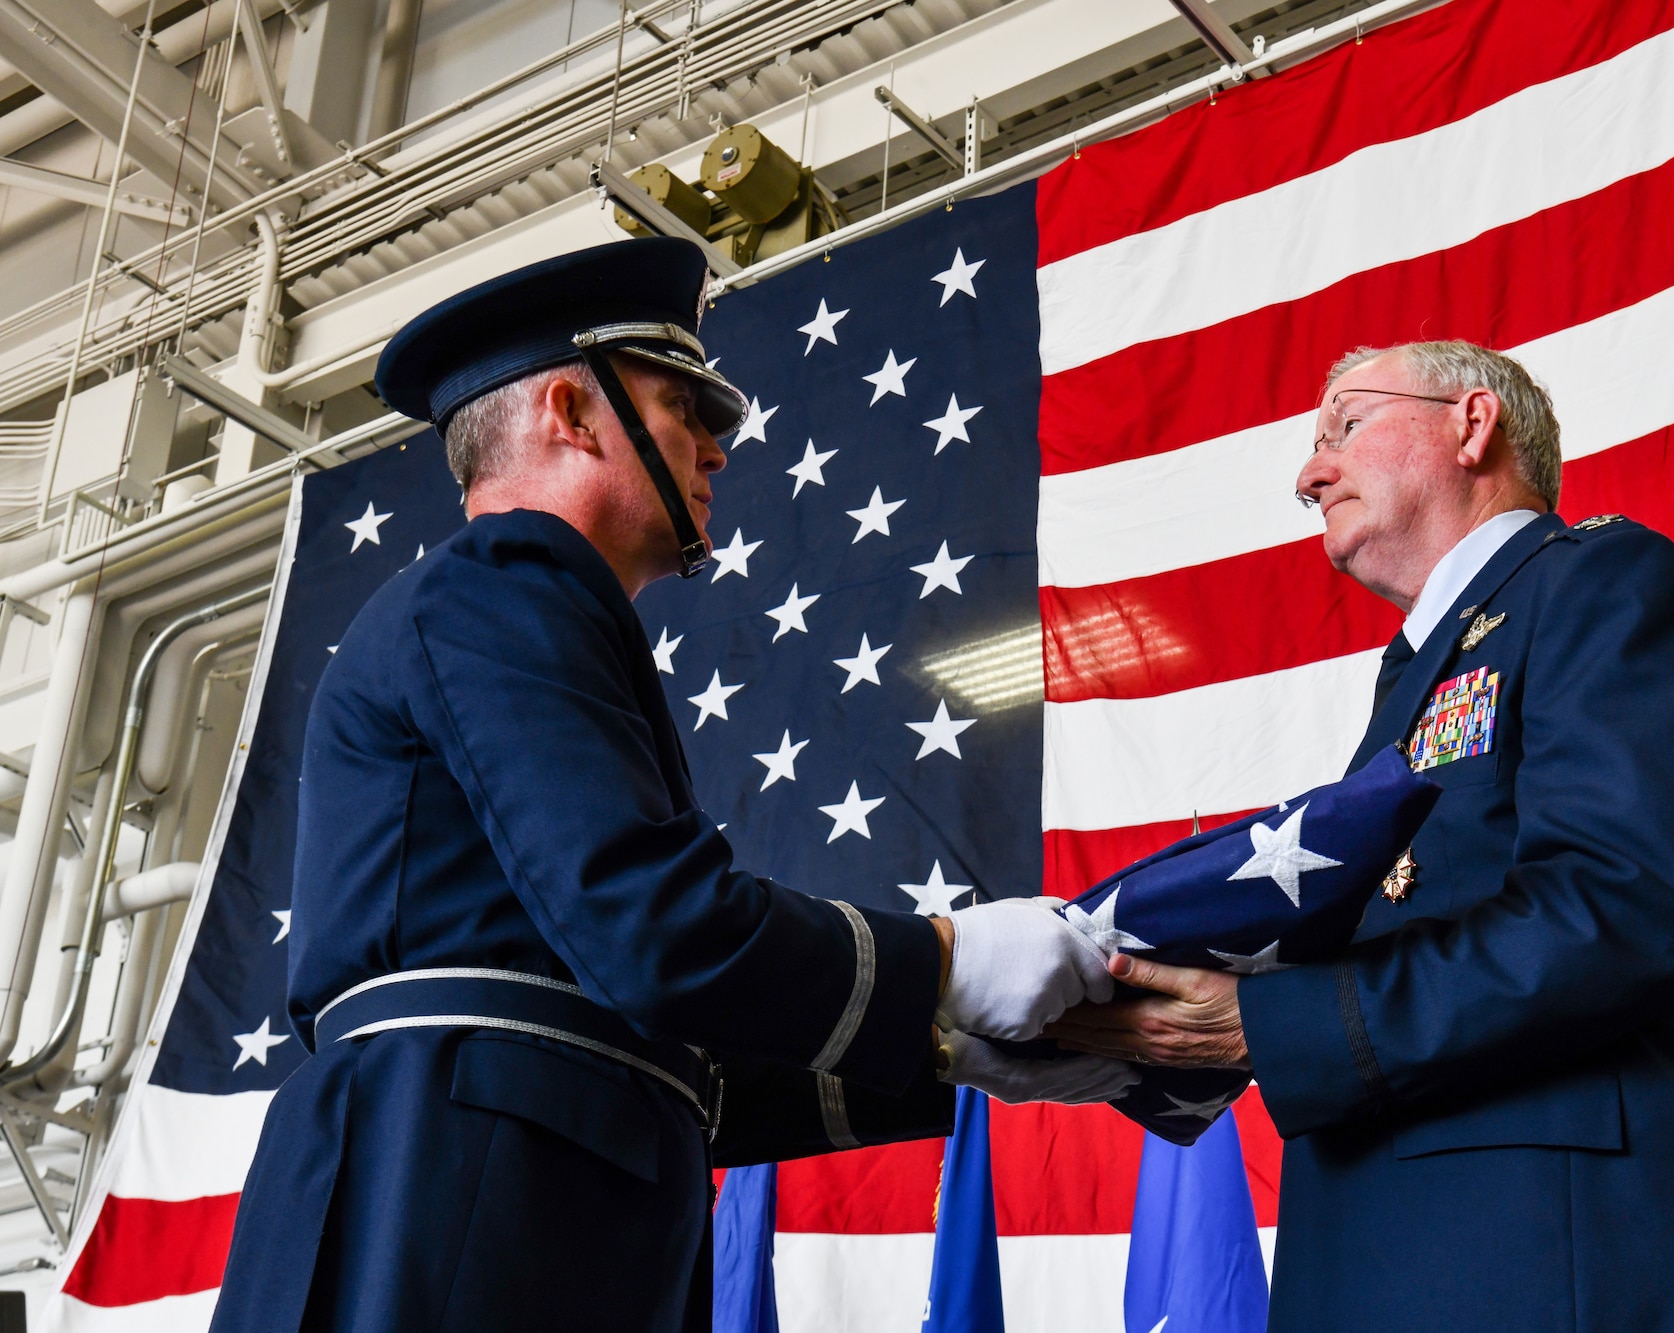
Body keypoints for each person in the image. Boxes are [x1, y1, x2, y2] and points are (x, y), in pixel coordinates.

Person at [211, 238, 1129, 1333]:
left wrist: (945, 1052)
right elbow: (654, 931)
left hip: (492, 1204)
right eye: (687, 410)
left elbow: (651, 1034)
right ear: (571, 410)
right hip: (455, 1209)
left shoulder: (509, 612)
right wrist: (944, 961)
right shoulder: (510, 583)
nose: (716, 450)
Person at [1050, 341, 1674, 1331]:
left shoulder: (1599, 582)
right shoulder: (1417, 676)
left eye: (1346, 426)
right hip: (1403, 1262)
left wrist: (1273, 1023)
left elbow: (1623, 907)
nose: (1309, 472)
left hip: (1548, 1272)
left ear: (1470, 422)